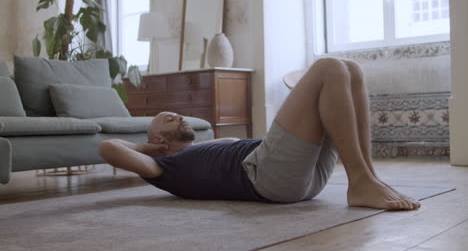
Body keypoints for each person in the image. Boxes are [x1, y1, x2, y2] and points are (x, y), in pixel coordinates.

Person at [99, 58, 420, 210]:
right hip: (267, 178)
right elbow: (108, 148)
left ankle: (370, 178)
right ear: (159, 140)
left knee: (351, 70)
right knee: (328, 68)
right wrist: (151, 149)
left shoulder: (204, 150)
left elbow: (233, 146)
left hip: (297, 178)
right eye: (169, 119)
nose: (179, 116)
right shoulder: (165, 168)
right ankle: (360, 183)